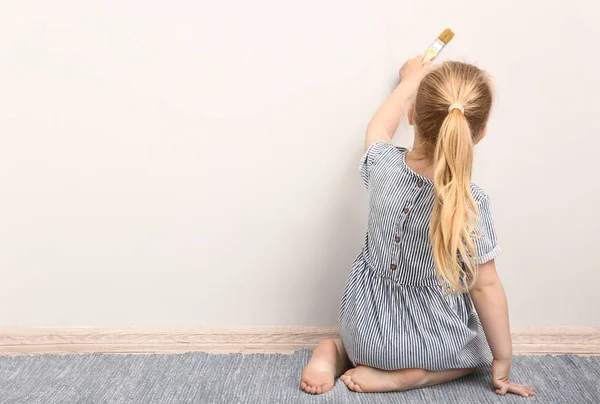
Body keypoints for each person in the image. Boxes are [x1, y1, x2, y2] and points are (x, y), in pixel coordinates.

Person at [300, 57, 535, 397]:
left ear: (412, 116)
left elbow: (378, 129)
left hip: (362, 326)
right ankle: (417, 376)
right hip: (429, 343)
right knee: (476, 352)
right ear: (479, 134)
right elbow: (485, 287)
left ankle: (337, 352)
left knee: (355, 342)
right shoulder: (470, 205)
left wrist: (408, 82)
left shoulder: (384, 166)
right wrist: (502, 359)